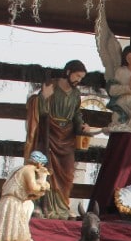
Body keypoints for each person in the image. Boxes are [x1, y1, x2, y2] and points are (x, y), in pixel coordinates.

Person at [25, 60, 100, 220]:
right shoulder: (51, 85)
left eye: (81, 77)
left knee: (67, 174)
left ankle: (61, 208)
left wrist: (82, 127)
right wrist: (43, 98)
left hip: (66, 138)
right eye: (77, 76)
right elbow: (40, 108)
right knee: (43, 169)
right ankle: (40, 205)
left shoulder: (75, 95)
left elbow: (76, 114)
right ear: (68, 72)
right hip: (48, 133)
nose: (79, 80)